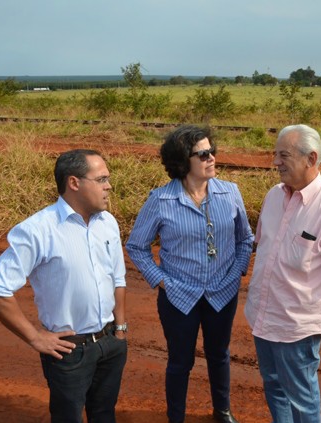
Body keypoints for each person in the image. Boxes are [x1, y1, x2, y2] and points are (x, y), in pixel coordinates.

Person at [0, 149, 128, 422]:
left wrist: (120, 329)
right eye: (101, 179)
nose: (109, 185)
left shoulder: (108, 223)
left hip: (111, 343)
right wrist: (35, 337)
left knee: (104, 414)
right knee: (67, 417)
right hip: (69, 350)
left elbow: (117, 277)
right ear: (74, 183)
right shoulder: (38, 230)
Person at [126, 125, 254, 423]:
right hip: (177, 295)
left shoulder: (229, 192)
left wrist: (236, 274)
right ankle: (176, 417)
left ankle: (222, 410)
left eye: (213, 152)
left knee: (219, 353)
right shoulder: (161, 200)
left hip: (222, 291)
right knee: (180, 361)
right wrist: (161, 281)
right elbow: (137, 246)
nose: (212, 158)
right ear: (184, 161)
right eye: (203, 154)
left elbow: (245, 239)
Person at [245, 124, 321, 423]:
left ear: (311, 159)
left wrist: (310, 303)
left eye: (283, 155)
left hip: (297, 327)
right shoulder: (273, 196)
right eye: (275, 154)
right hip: (262, 315)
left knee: (302, 398)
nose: (275, 162)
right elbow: (264, 246)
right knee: (273, 387)